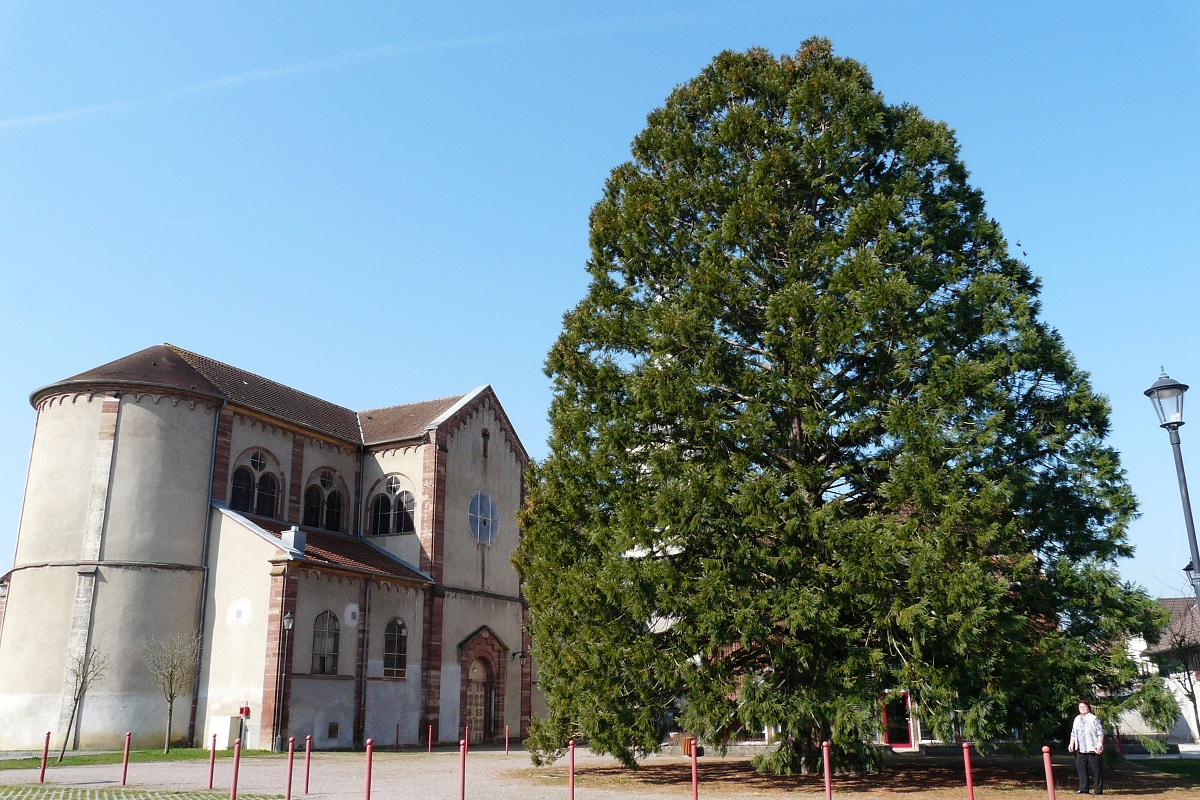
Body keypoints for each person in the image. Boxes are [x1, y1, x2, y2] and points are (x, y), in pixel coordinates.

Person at [1068, 699, 1104, 795]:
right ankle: (1083, 789)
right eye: (1080, 707)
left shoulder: (1094, 719)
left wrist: (1099, 745)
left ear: (1088, 707)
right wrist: (1071, 743)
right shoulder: (1076, 719)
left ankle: (1098, 790)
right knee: (1081, 769)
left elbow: (1100, 733)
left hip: (1093, 749)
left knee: (1096, 770)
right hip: (1080, 749)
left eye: (1084, 707)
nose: (1082, 709)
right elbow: (1073, 733)